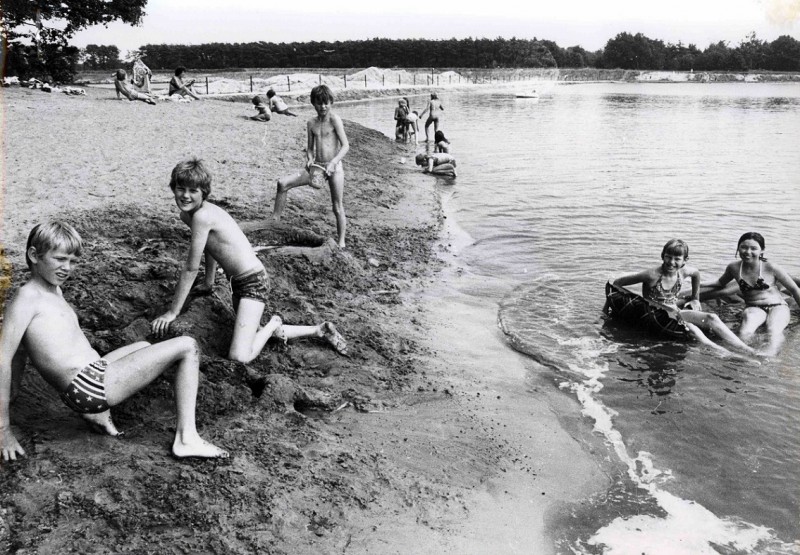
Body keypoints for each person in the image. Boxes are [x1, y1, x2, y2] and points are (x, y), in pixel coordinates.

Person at [0, 222, 228, 461]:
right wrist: (3, 430)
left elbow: (22, 350)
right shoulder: (26, 298)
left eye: (73, 261)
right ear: (34, 255)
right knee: (187, 346)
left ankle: (98, 414)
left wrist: (14, 393)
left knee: (144, 348)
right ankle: (187, 438)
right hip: (89, 388)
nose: (67, 268)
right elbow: (4, 358)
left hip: (91, 376)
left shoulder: (51, 288)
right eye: (60, 259)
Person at [151, 158, 348, 363]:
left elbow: (191, 269)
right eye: (180, 189)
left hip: (253, 282)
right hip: (239, 282)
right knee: (256, 332)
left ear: (204, 193)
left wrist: (172, 313)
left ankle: (274, 323)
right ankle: (319, 330)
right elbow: (209, 247)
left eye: (193, 191)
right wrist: (209, 282)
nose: (185, 195)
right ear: (173, 188)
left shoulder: (202, 216)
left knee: (239, 356)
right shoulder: (188, 216)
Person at [613, 239, 757, 357]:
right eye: (668, 257)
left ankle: (746, 349)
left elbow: (696, 274)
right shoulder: (651, 275)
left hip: (675, 311)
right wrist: (631, 305)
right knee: (693, 329)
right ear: (662, 255)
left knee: (711, 317)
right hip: (656, 314)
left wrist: (695, 298)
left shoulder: (684, 272)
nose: (671, 262)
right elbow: (617, 284)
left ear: (684, 260)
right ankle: (726, 353)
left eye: (677, 259)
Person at [273, 85, 350, 248]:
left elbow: (345, 146)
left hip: (335, 167)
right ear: (313, 103)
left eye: (326, 103)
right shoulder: (311, 123)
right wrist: (309, 159)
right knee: (282, 183)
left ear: (331, 103)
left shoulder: (335, 120)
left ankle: (341, 242)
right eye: (319, 103)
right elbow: (309, 148)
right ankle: (274, 221)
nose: (323, 107)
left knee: (337, 206)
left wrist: (333, 163)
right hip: (317, 167)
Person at [702, 232, 800, 356]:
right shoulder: (734, 267)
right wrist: (699, 283)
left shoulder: (771, 267)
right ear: (738, 248)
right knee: (745, 331)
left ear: (762, 250)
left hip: (777, 306)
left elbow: (794, 289)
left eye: (753, 248)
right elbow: (720, 283)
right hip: (754, 307)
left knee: (773, 330)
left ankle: (771, 355)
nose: (747, 252)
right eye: (743, 247)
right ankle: (743, 354)